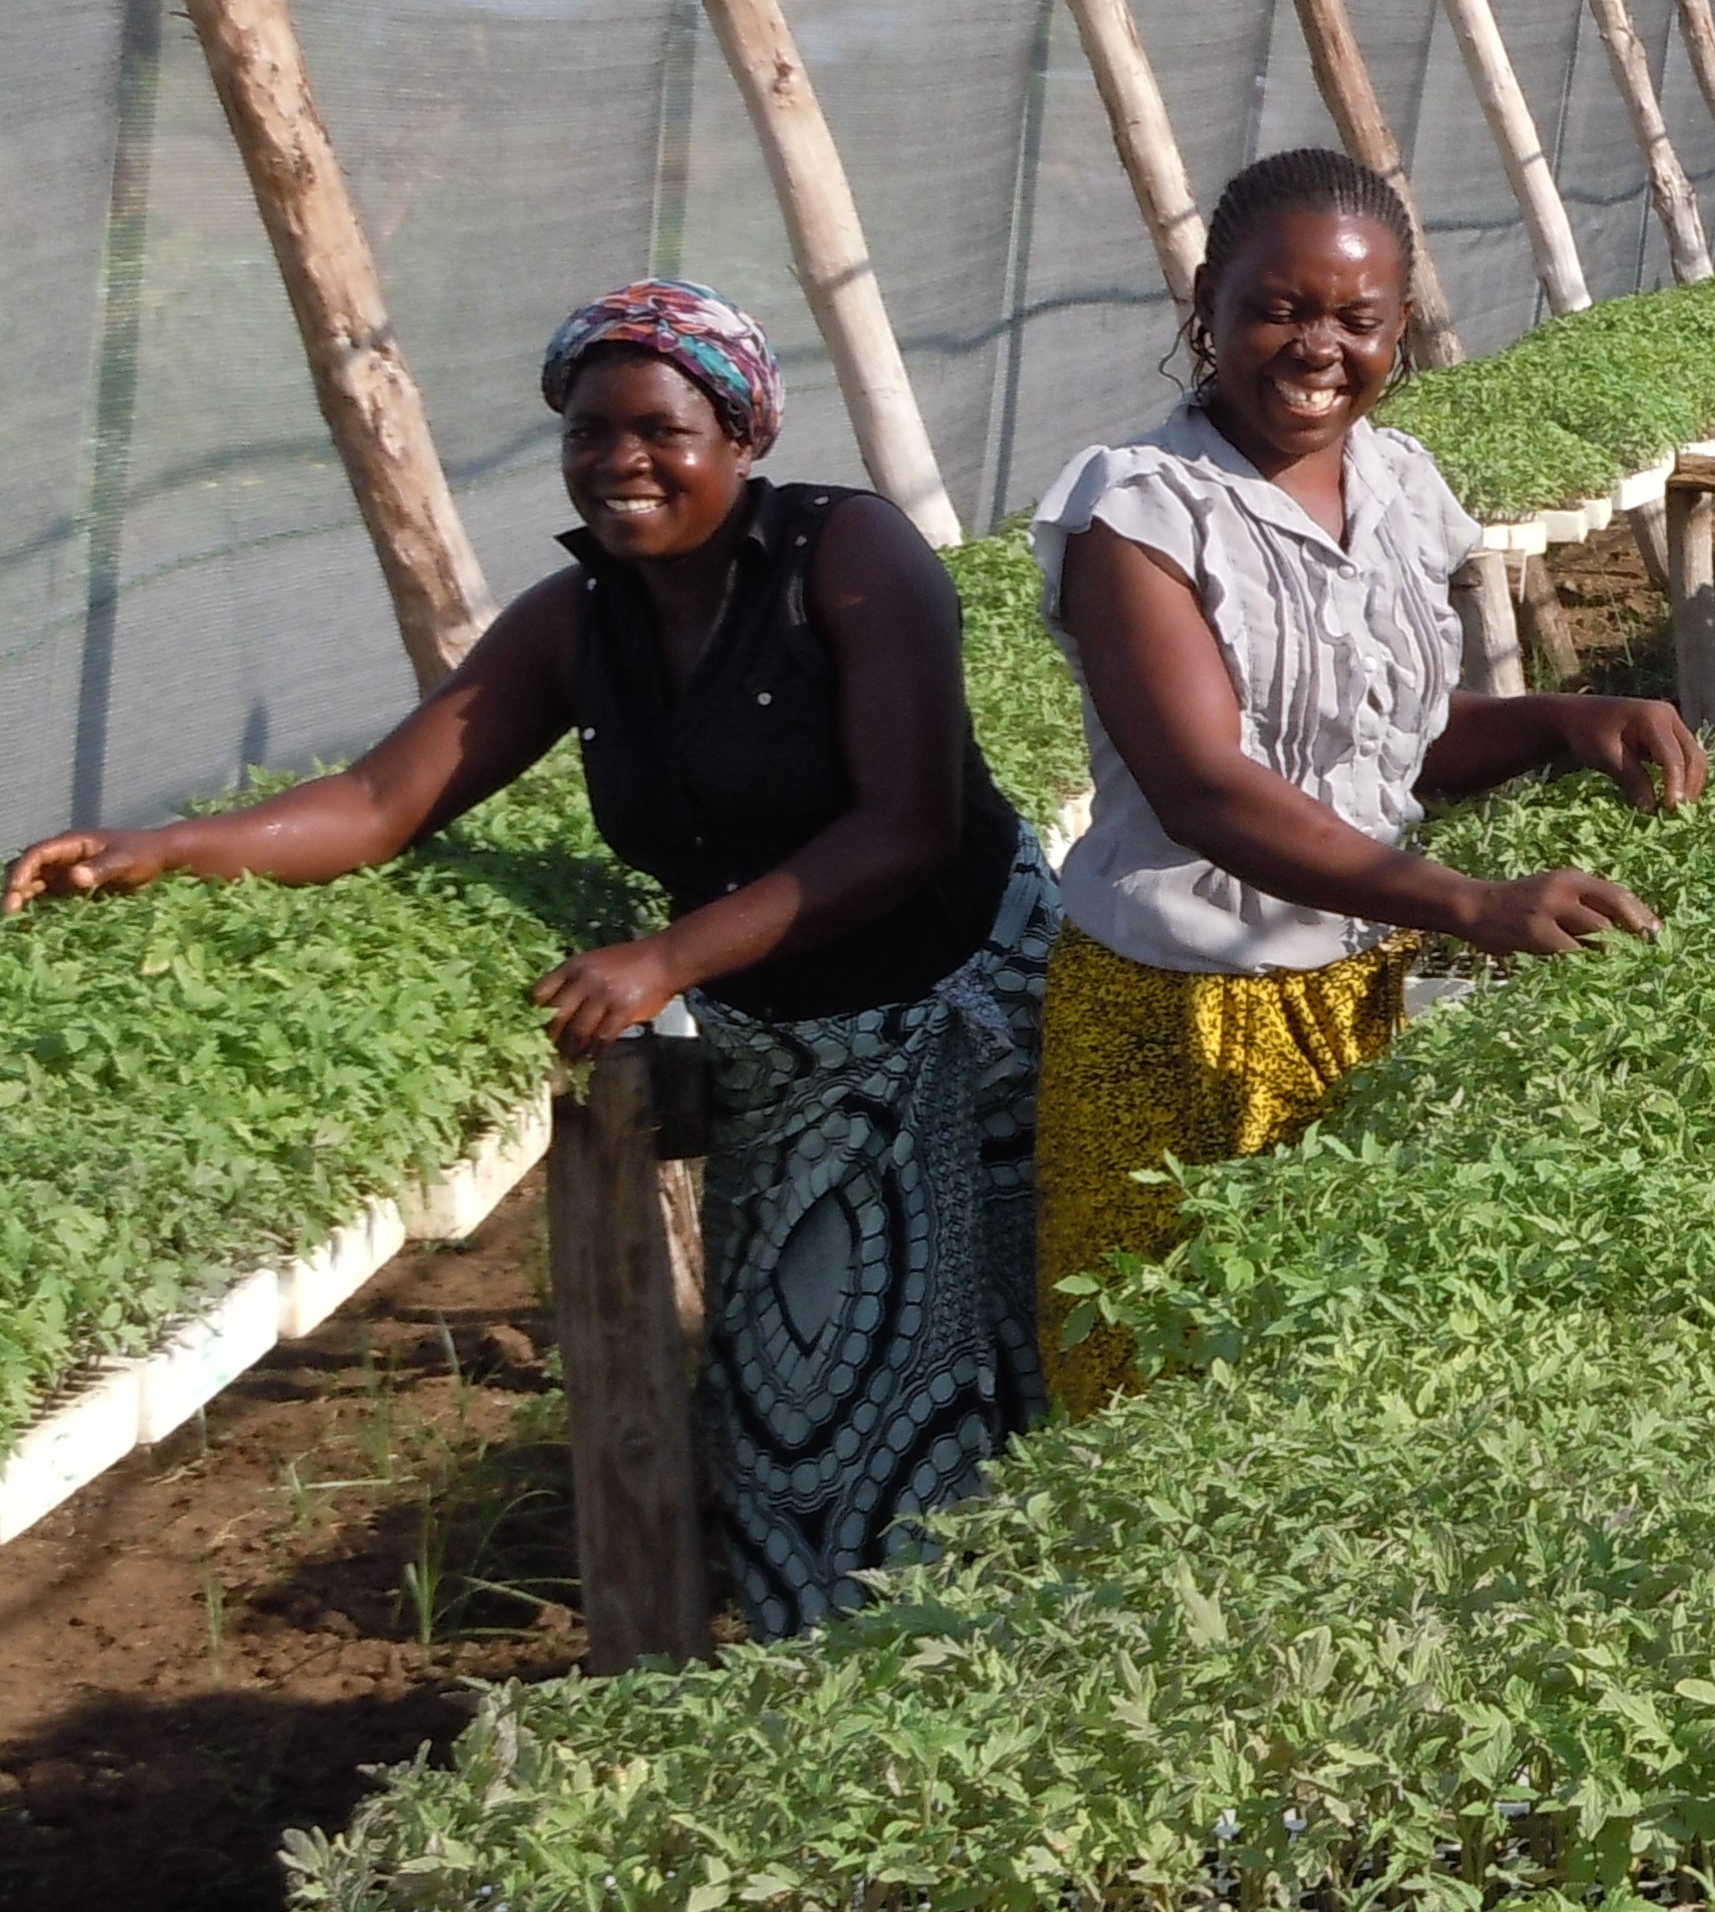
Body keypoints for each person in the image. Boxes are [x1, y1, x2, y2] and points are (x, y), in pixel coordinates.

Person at [6, 283, 1055, 1634]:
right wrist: (166, 845)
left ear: (741, 434)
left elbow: (905, 826)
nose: (620, 461)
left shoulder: (848, 554)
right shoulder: (579, 619)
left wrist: (665, 957)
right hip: (795, 1059)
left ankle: (1015, 1653)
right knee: (809, 1408)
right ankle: (864, 1675)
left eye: (661, 429)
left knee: (1009, 1362)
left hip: (967, 1018)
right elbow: (383, 797)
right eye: (587, 432)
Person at [1030, 148, 1707, 1416]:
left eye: (1357, 318)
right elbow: (1206, 789)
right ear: (1208, 306)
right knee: (1167, 1395)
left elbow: (1383, 739)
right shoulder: (1139, 515)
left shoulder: (1395, 484)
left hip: (1360, 989)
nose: (1318, 348)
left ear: (1400, 326)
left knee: (1342, 1383)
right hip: (1180, 1019)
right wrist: (1469, 902)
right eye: (1279, 309)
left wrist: (1563, 720)